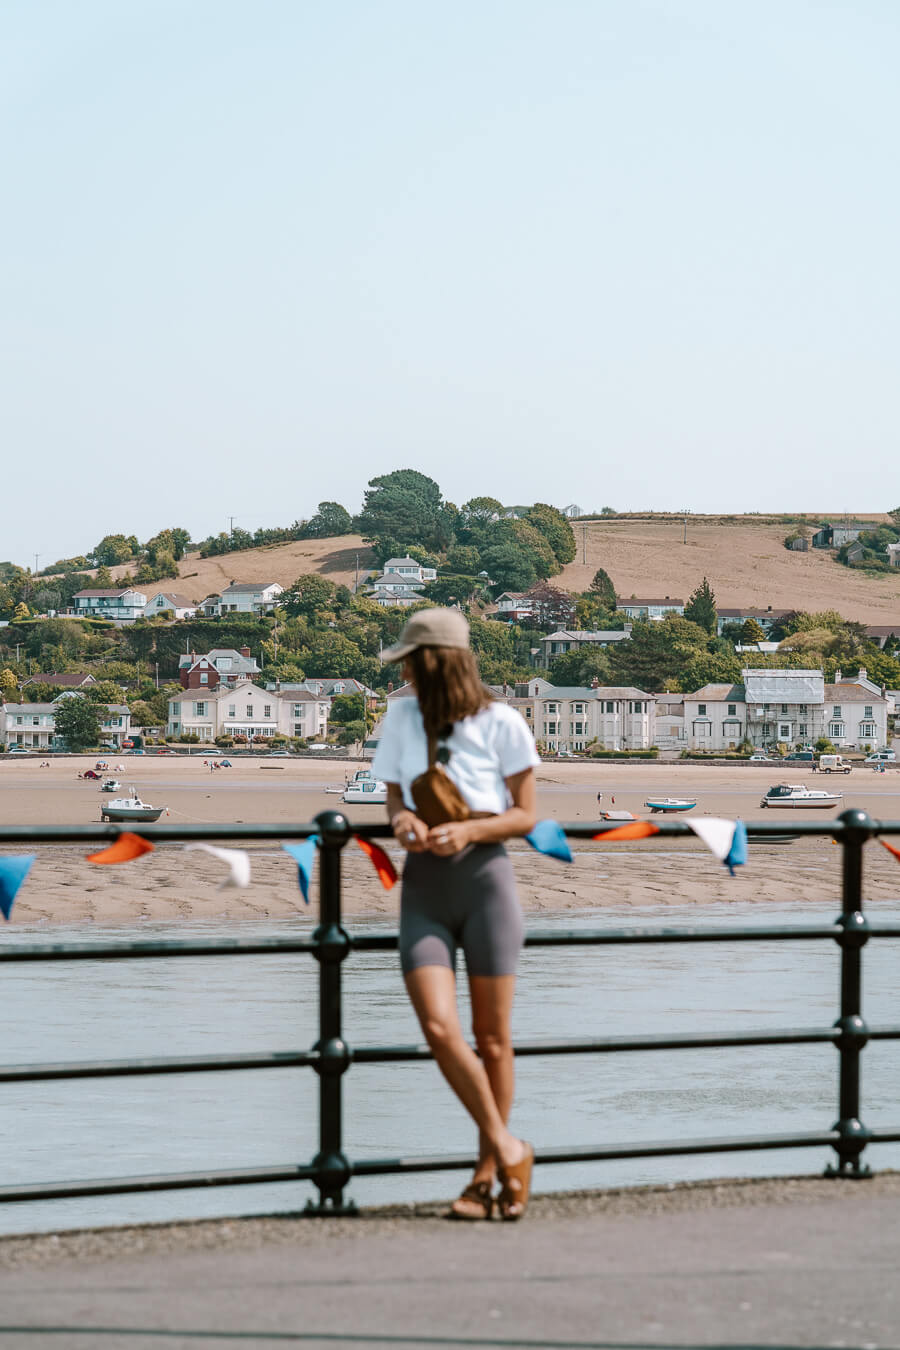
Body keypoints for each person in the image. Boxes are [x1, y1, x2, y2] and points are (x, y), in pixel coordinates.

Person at [372, 607, 540, 1221]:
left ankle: (486, 1175)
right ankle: (509, 1146)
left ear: (434, 663)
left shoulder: (502, 723)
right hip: (424, 888)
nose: (406, 675)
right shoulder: (399, 718)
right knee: (440, 1028)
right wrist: (403, 820)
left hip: (485, 883)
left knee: (494, 1040)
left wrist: (470, 831)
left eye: (411, 664)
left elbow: (525, 815)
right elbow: (392, 793)